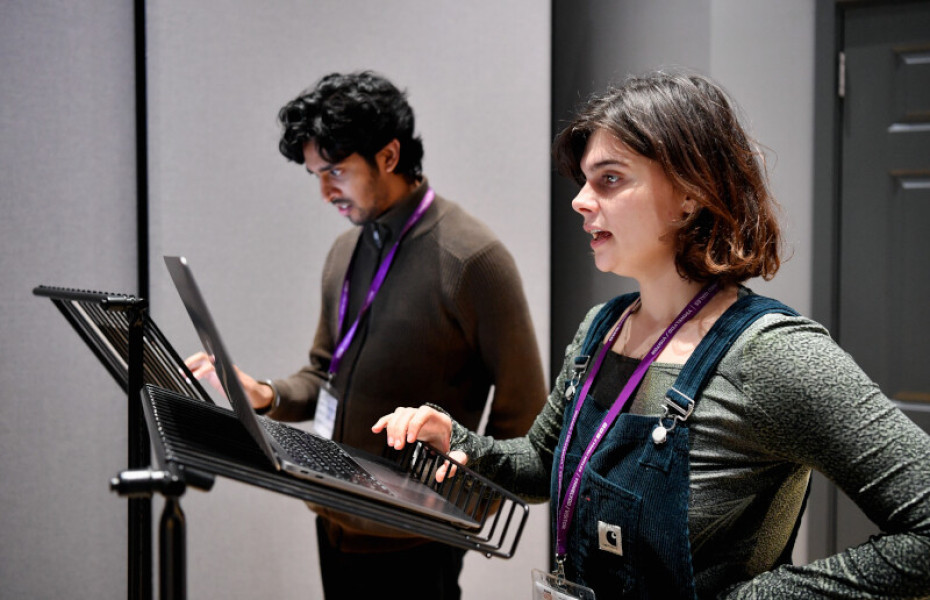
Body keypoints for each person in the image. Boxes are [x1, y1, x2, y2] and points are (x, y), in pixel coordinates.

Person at [373, 70, 930, 599]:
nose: (581, 201)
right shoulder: (601, 328)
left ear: (691, 194)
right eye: (584, 181)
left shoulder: (775, 355)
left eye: (609, 179)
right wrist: (457, 443)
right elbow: (543, 464)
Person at [186, 70, 547, 600]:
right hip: (335, 519)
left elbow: (526, 415)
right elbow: (323, 372)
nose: (325, 191)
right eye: (316, 174)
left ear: (389, 156)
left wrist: (460, 513)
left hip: (414, 540)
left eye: (336, 170)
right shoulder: (346, 252)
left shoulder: (472, 260)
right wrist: (267, 394)